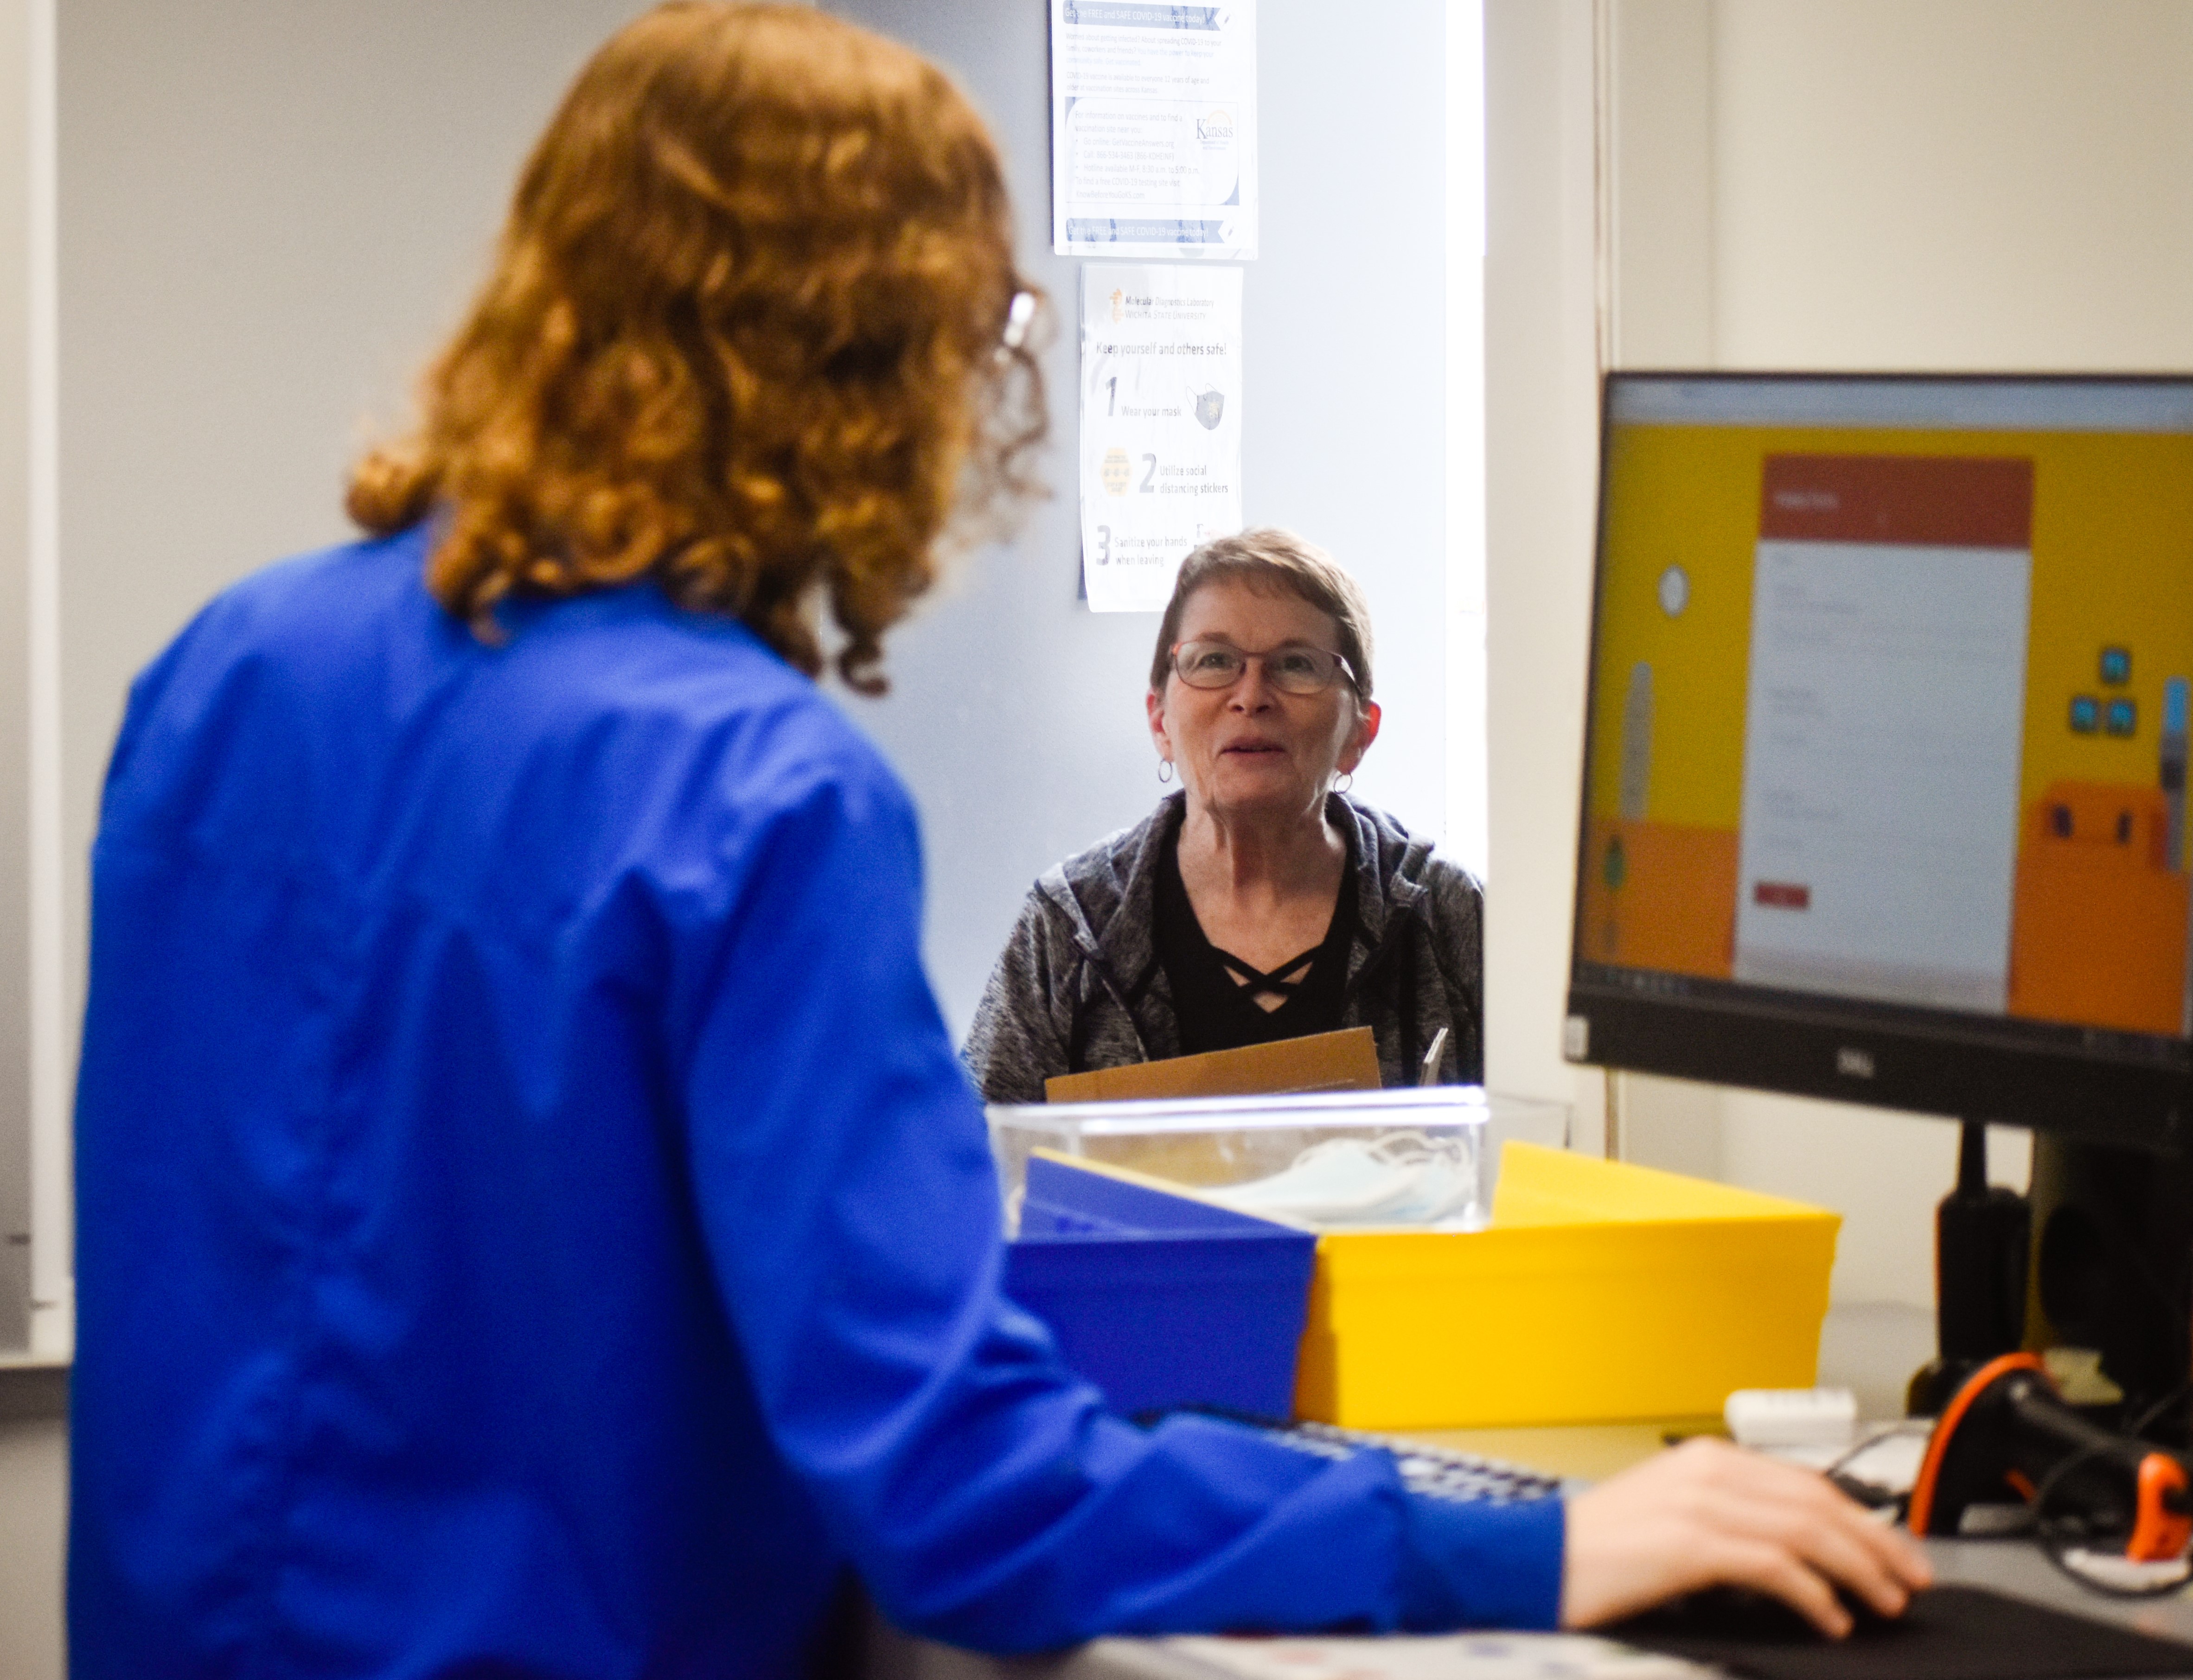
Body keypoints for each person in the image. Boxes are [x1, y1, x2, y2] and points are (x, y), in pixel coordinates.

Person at [68, 6, 1928, 1677]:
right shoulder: (742, 789)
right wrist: (1538, 1539)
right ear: (863, 370)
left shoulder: (221, 674)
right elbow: (955, 1479)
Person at [965, 530, 1483, 1102]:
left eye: (1296, 664)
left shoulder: (1446, 915)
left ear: (1359, 732)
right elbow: (976, 1154)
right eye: (1214, 660)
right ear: (1159, 719)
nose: (1251, 695)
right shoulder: (1071, 927)